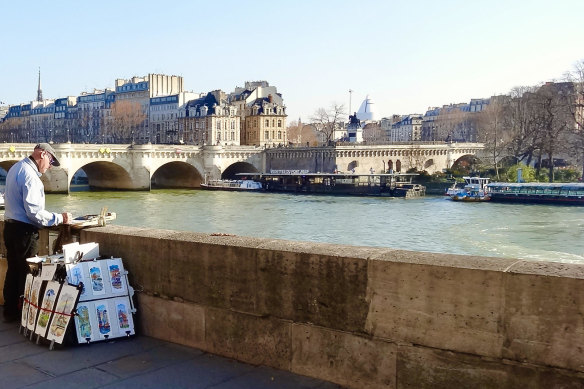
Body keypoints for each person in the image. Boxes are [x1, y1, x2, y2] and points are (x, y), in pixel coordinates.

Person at [3, 143, 72, 322]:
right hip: (24, 231)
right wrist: (60, 218)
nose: (49, 166)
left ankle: (10, 311)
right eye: (50, 160)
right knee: (26, 273)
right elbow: (34, 213)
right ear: (42, 154)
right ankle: (24, 314)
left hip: (10, 227)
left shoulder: (16, 168)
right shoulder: (30, 176)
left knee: (13, 270)